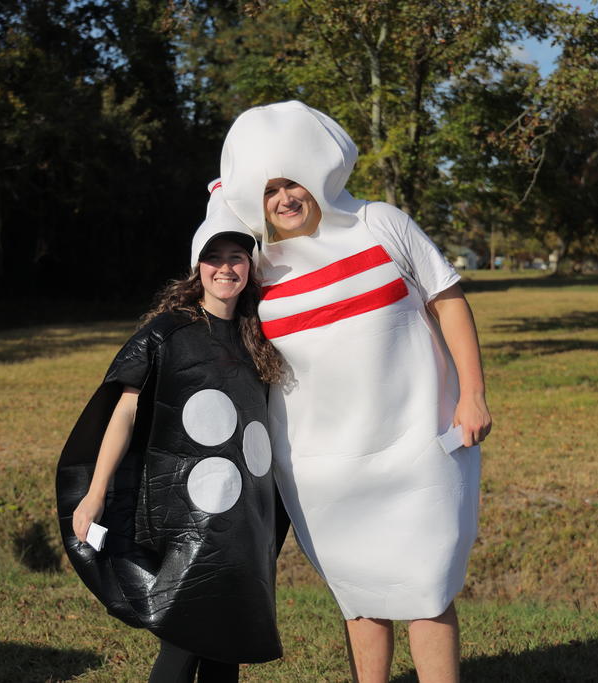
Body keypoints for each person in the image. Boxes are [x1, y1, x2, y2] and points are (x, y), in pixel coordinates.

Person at [219, 101, 492, 682]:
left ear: (318, 171)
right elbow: (207, 282)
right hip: (320, 464)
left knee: (428, 582)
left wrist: (473, 394)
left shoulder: (380, 222)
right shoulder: (260, 264)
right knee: (360, 593)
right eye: (267, 191)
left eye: (292, 181)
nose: (284, 199)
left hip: (418, 444)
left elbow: (449, 301)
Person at [54, 181, 284, 682]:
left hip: (244, 521)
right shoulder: (168, 332)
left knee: (227, 644)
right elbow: (125, 412)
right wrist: (93, 495)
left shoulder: (260, 338)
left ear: (251, 266)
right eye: (214, 256)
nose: (226, 268)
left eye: (237, 256)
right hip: (185, 519)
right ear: (196, 265)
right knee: (183, 638)